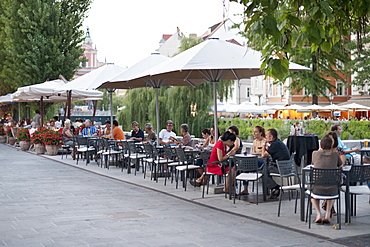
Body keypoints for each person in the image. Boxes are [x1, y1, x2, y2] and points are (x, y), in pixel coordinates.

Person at [311, 135, 342, 224]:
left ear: (320, 145)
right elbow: (340, 165)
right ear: (332, 145)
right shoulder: (335, 154)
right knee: (332, 189)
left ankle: (318, 214)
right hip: (332, 188)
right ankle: (327, 214)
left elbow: (313, 163)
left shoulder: (315, 153)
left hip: (317, 188)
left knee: (313, 196)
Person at [262, 128, 290, 199]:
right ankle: (273, 189)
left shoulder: (275, 144)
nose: (265, 137)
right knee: (266, 169)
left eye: (266, 136)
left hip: (281, 168)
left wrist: (263, 145)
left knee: (264, 172)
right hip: (286, 167)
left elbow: (263, 155)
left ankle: (275, 188)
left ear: (271, 137)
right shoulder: (278, 142)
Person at [238, 125, 266, 196]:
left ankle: (243, 187)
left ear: (260, 133)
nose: (254, 134)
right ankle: (245, 189)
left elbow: (262, 152)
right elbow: (254, 152)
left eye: (256, 132)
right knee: (245, 167)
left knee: (246, 166)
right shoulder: (254, 142)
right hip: (255, 160)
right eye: (254, 132)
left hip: (262, 161)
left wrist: (258, 151)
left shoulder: (264, 141)